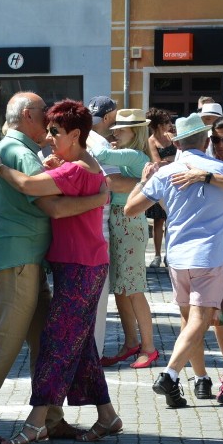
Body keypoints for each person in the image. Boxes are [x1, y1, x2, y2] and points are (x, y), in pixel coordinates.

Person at [0, 92, 108, 444]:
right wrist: (98, 199)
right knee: (6, 342)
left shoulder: (7, 149)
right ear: (27, 116)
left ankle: (51, 418)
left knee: (45, 343)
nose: (50, 129)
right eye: (45, 120)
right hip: (18, 259)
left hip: (24, 258)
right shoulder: (19, 153)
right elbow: (54, 206)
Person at [0, 100, 119, 444]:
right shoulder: (81, 164)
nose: (48, 138)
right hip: (83, 265)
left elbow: (32, 188)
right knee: (80, 345)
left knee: (57, 344)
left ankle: (35, 423)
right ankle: (107, 417)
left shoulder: (76, 170)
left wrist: (0, 168)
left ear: (75, 134)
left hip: (80, 267)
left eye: (55, 132)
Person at [124, 113, 223, 409]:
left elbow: (130, 210)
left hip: (176, 259)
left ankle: (190, 380)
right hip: (208, 257)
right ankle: (171, 374)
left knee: (190, 321)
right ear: (205, 141)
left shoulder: (166, 172)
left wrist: (144, 181)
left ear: (176, 142)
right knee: (200, 322)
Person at [168, 115, 223, 404]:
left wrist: (206, 177)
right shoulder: (198, 164)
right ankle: (200, 376)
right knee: (192, 316)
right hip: (199, 246)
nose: (221, 145)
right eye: (215, 139)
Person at [91, 109, 157, 369]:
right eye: (115, 127)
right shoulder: (133, 154)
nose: (115, 131)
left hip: (129, 221)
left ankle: (148, 347)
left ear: (136, 131)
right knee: (122, 287)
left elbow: (101, 154)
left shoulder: (131, 154)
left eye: (122, 129)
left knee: (133, 288)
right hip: (123, 221)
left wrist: (87, 132)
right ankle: (132, 343)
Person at [146, 108, 177, 268]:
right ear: (158, 125)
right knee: (158, 221)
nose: (170, 125)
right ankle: (157, 256)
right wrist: (172, 160)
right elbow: (157, 162)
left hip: (174, 182)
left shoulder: (172, 137)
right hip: (161, 182)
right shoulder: (151, 140)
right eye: (166, 122)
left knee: (171, 220)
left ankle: (169, 255)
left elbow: (180, 157)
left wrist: (168, 160)